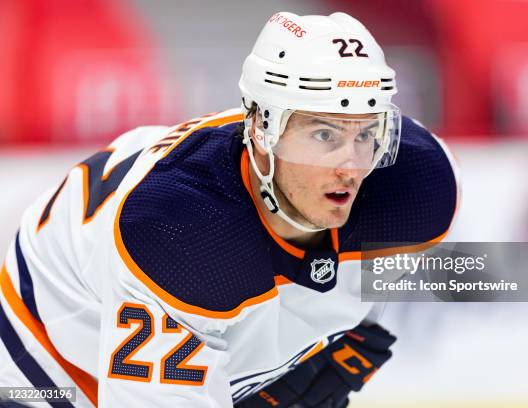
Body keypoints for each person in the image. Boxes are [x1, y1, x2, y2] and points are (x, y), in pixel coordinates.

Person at [0, 11, 459, 408]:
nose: (351, 167)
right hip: (45, 356)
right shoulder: (177, 228)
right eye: (324, 134)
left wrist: (351, 330)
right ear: (261, 128)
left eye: (365, 133)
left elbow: (376, 273)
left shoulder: (415, 180)